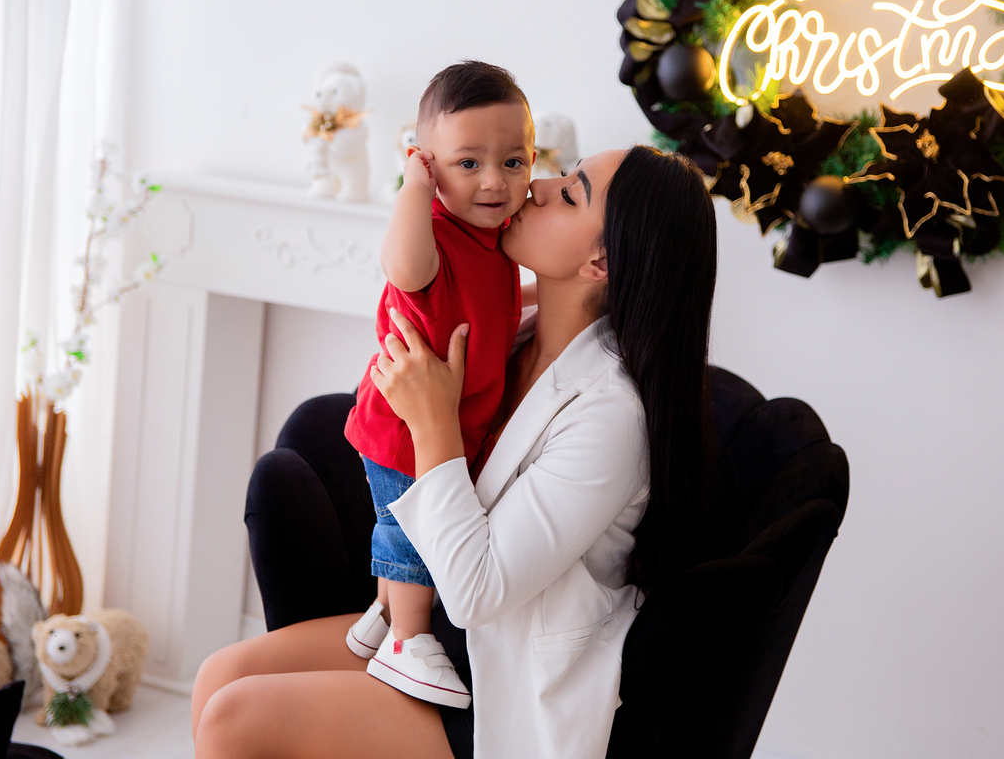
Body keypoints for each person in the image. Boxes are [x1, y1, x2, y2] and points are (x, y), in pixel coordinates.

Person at [191, 145, 718, 759]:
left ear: (601, 261)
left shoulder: (613, 417)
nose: (539, 187)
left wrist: (432, 419)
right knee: (215, 680)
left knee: (235, 718)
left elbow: (477, 592)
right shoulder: (515, 339)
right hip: (435, 632)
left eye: (571, 194)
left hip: (496, 683)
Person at [341, 60, 534, 708]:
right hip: (404, 424)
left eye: (514, 162)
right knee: (411, 534)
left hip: (448, 422)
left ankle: (381, 616)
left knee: (402, 524)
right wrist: (411, 190)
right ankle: (408, 640)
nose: (494, 182)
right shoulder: (436, 238)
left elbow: (495, 303)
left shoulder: (494, 242)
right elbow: (401, 266)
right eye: (467, 163)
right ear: (429, 165)